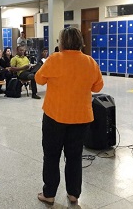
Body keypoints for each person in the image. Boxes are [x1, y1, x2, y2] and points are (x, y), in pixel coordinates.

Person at [34, 27, 104, 206]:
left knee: (51, 155)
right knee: (74, 156)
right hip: (81, 117)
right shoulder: (89, 61)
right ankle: (74, 194)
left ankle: (49, 194)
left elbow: (39, 79)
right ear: (80, 42)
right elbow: (97, 87)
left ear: (62, 42)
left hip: (55, 116)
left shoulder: (55, 59)